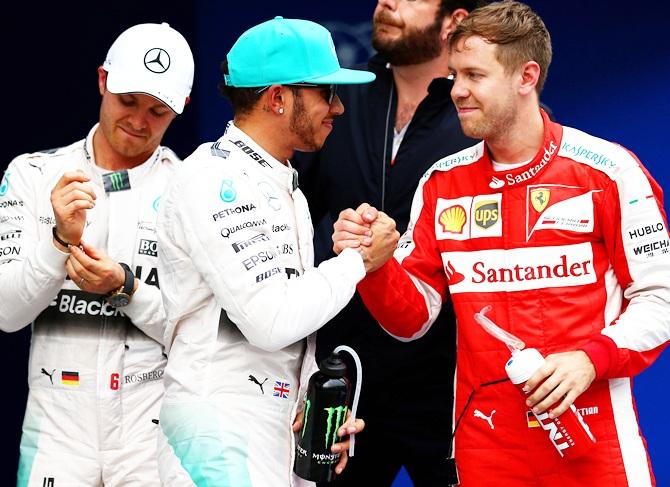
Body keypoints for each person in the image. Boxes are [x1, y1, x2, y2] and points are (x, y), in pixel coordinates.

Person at [333, 1, 670, 485]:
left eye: (473, 75)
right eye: (454, 74)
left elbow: (661, 297)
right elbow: (413, 319)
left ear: (526, 76)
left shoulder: (609, 169)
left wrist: (589, 358)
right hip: (484, 450)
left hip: (592, 449)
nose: (456, 91)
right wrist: (374, 265)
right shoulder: (442, 182)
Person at [154, 17, 397, 487]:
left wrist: (314, 409)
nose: (340, 107)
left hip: (269, 429)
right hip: (217, 434)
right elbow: (269, 321)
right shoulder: (214, 179)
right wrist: (357, 262)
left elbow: (283, 328)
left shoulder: (283, 184)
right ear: (278, 97)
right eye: (326, 93)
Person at [291, 1, 487, 485]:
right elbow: (288, 214)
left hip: (447, 383)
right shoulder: (340, 99)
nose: (387, 3)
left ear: (454, 20)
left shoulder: (481, 114)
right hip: (344, 376)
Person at [0, 22, 194, 486]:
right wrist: (57, 244)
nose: (139, 121)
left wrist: (125, 288)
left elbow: (201, 337)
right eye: (128, 101)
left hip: (155, 435)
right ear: (103, 80)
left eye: (158, 110)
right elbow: (7, 313)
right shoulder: (33, 173)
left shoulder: (191, 191)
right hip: (56, 434)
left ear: (182, 109)